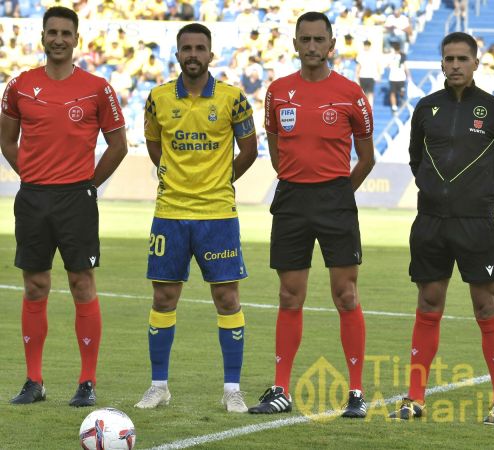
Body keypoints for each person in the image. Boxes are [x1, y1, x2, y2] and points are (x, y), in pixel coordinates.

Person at [388, 32, 494, 425]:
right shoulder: (425, 108)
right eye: (448, 58)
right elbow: (417, 159)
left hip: (476, 225)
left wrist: (490, 199)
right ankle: (414, 398)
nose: (455, 65)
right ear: (441, 63)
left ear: (475, 63)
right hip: (431, 223)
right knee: (428, 304)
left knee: (486, 307)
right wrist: (434, 193)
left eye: (462, 59)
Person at [248, 11, 375, 419]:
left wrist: (339, 194)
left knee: (345, 295)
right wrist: (296, 182)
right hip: (291, 199)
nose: (313, 46)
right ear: (296, 44)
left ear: (331, 44)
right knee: (289, 295)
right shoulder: (278, 92)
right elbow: (274, 143)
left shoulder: (351, 93)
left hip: (335, 197)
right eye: (306, 39)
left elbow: (367, 157)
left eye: (320, 39)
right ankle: (280, 387)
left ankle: (356, 392)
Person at [1, 6, 128, 407]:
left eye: (65, 33)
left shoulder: (97, 88)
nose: (58, 39)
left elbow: (119, 144)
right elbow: (6, 140)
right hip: (34, 198)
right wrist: (31, 174)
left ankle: (86, 382)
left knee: (81, 284)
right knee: (36, 286)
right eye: (51, 32)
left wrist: (89, 183)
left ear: (76, 39)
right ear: (42, 37)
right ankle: (34, 381)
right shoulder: (20, 85)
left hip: (77, 199)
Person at [133, 22, 258, 413]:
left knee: (226, 297)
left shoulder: (233, 99)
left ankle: (232, 389)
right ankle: (158, 385)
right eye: (186, 48)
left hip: (218, 215)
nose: (192, 54)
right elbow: (154, 145)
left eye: (199, 48)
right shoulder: (156, 98)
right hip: (170, 213)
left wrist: (219, 180)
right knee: (164, 296)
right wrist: (175, 176)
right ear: (177, 54)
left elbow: (250, 149)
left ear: (210, 54)